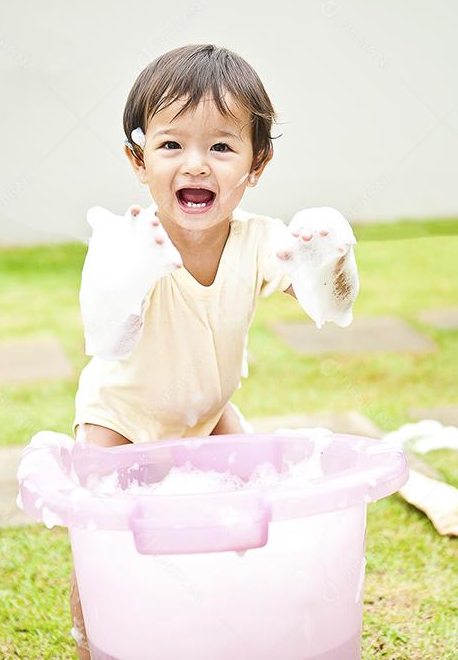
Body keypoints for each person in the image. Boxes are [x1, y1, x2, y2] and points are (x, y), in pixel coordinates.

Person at [68, 43, 359, 660]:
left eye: (222, 147)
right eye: (171, 145)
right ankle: (95, 640)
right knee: (101, 540)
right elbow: (107, 339)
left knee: (258, 503)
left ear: (257, 165)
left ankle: (229, 614)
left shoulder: (259, 241)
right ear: (137, 158)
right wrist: (128, 274)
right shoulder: (129, 241)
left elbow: (329, 310)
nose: (195, 164)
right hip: (119, 419)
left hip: (208, 411)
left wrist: (332, 259)